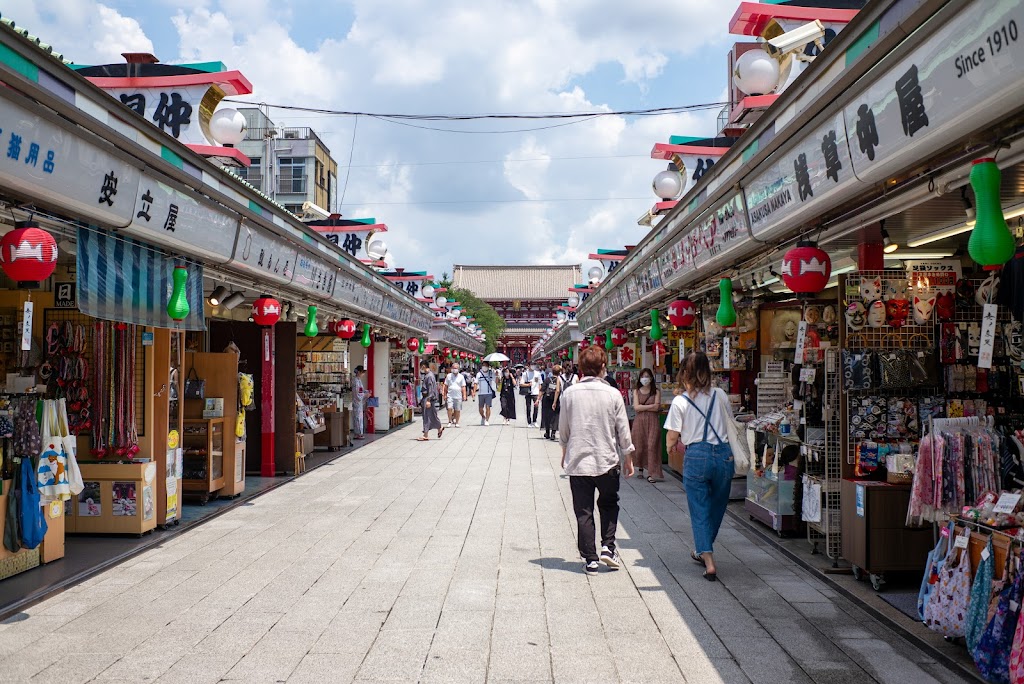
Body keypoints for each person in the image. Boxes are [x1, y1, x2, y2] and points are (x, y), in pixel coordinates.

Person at [560, 346, 635, 574]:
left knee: (583, 510)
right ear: (603, 367)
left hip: (579, 461)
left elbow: (564, 429)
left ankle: (590, 558)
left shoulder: (569, 393)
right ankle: (608, 548)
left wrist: (565, 451)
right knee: (609, 504)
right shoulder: (613, 394)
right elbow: (623, 429)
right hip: (607, 459)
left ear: (580, 368)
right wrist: (628, 456)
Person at [665, 352, 733, 582]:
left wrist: (669, 448)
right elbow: (729, 424)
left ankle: (709, 560)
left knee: (699, 509)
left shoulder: (680, 401)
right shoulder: (721, 395)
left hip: (697, 457)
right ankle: (703, 550)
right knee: (716, 507)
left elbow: (672, 436)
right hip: (724, 456)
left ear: (685, 373)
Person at [632, 368, 663, 483]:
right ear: (640, 378)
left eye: (647, 376)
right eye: (643, 376)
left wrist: (643, 407)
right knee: (640, 446)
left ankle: (651, 473)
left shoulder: (656, 391)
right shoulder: (636, 391)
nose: (645, 378)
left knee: (651, 445)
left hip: (653, 421)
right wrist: (651, 406)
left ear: (651, 378)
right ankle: (640, 468)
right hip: (639, 422)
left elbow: (656, 407)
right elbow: (636, 407)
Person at [417, 361, 445, 441]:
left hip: (428, 398)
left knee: (426, 416)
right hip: (428, 398)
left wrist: (428, 399)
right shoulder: (429, 375)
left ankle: (426, 435)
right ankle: (439, 427)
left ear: (423, 366)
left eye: (421, 367)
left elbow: (431, 389)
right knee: (431, 415)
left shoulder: (429, 376)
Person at [541, 363, 563, 440]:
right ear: (560, 372)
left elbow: (542, 390)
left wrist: (538, 399)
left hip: (546, 399)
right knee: (555, 415)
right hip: (556, 399)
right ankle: (553, 433)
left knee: (547, 415)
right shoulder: (560, 380)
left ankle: (547, 432)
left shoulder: (547, 379)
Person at [443, 362, 467, 427]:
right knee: (449, 408)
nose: (455, 369)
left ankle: (457, 422)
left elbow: (463, 386)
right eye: (454, 368)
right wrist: (444, 394)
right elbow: (445, 385)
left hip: (458, 395)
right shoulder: (449, 376)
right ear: (451, 368)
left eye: (456, 368)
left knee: (457, 410)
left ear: (458, 369)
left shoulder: (461, 377)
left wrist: (464, 395)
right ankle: (450, 421)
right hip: (450, 395)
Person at [352, 366, 368, 440]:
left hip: (359, 402)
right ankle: (358, 433)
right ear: (359, 372)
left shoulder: (359, 380)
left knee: (359, 418)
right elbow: (356, 393)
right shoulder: (355, 381)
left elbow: (361, 391)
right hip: (357, 402)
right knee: (357, 418)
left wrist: (366, 393)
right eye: (362, 373)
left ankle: (359, 433)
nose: (363, 375)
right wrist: (364, 395)